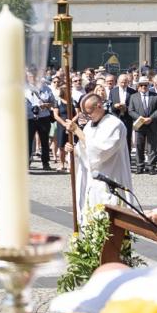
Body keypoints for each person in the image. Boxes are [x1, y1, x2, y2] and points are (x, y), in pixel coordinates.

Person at [60, 90, 134, 220]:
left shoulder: (114, 124)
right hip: (91, 181)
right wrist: (73, 151)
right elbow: (84, 149)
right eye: (85, 114)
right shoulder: (89, 125)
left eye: (89, 113)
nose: (88, 117)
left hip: (110, 178)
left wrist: (77, 130)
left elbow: (100, 151)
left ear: (99, 106)